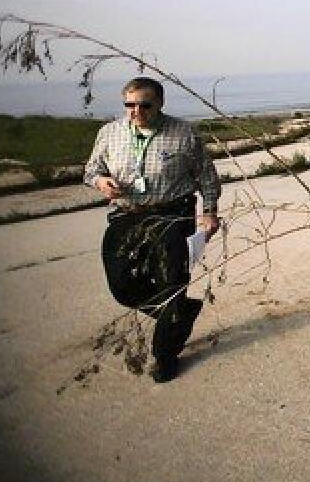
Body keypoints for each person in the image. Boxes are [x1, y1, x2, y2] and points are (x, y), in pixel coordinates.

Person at [84, 77, 221, 383]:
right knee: (121, 284)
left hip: (173, 215)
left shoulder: (184, 133)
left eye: (144, 105)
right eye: (129, 105)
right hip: (126, 215)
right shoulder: (109, 133)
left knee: (171, 283)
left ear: (160, 103)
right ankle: (178, 315)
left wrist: (210, 212)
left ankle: (165, 355)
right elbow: (91, 171)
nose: (136, 111)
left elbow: (207, 177)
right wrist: (101, 182)